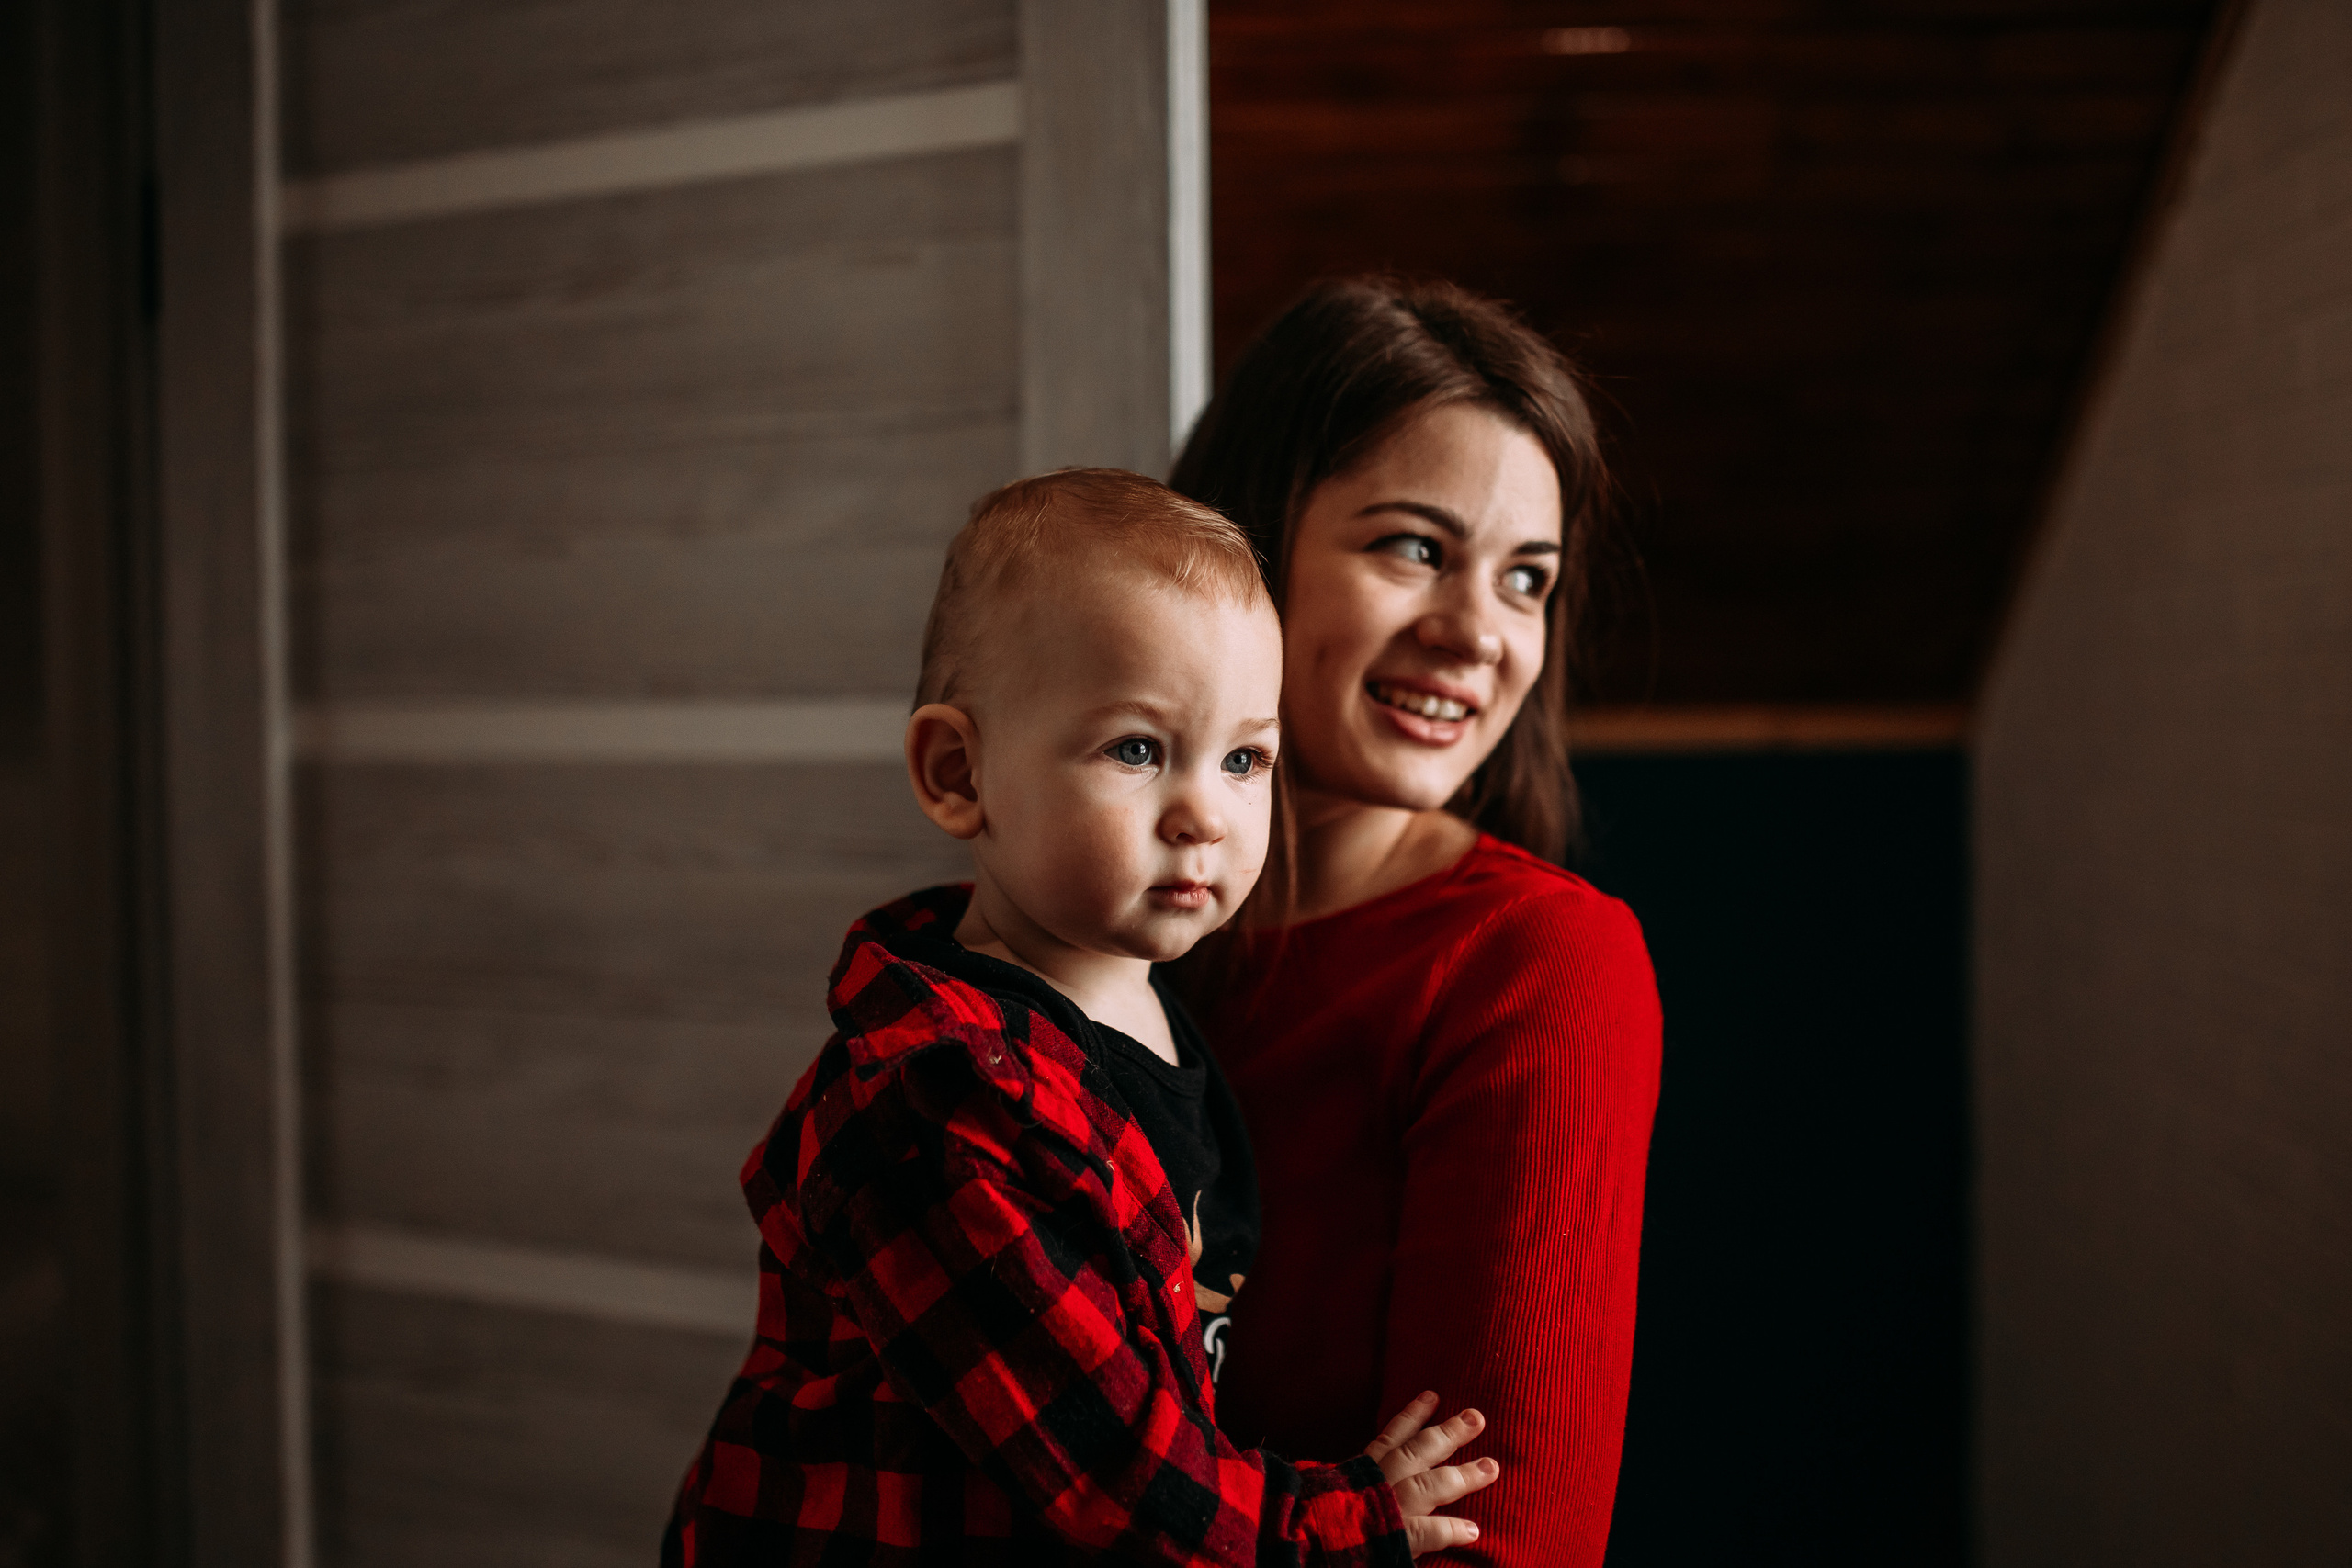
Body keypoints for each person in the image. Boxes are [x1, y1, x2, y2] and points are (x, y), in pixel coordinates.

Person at [663, 468, 1496, 1564]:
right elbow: (1115, 1482)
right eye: (1138, 749)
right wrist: (1336, 1525)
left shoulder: (1150, 1004)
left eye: (1244, 758)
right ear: (960, 772)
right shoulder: (941, 1104)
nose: (1205, 812)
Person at [1169, 279, 1665, 1567]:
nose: (1476, 633)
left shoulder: (1538, 965)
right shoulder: (1096, 934)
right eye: (1413, 546)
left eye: (1527, 580)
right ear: (1246, 545)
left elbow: (1504, 1548)